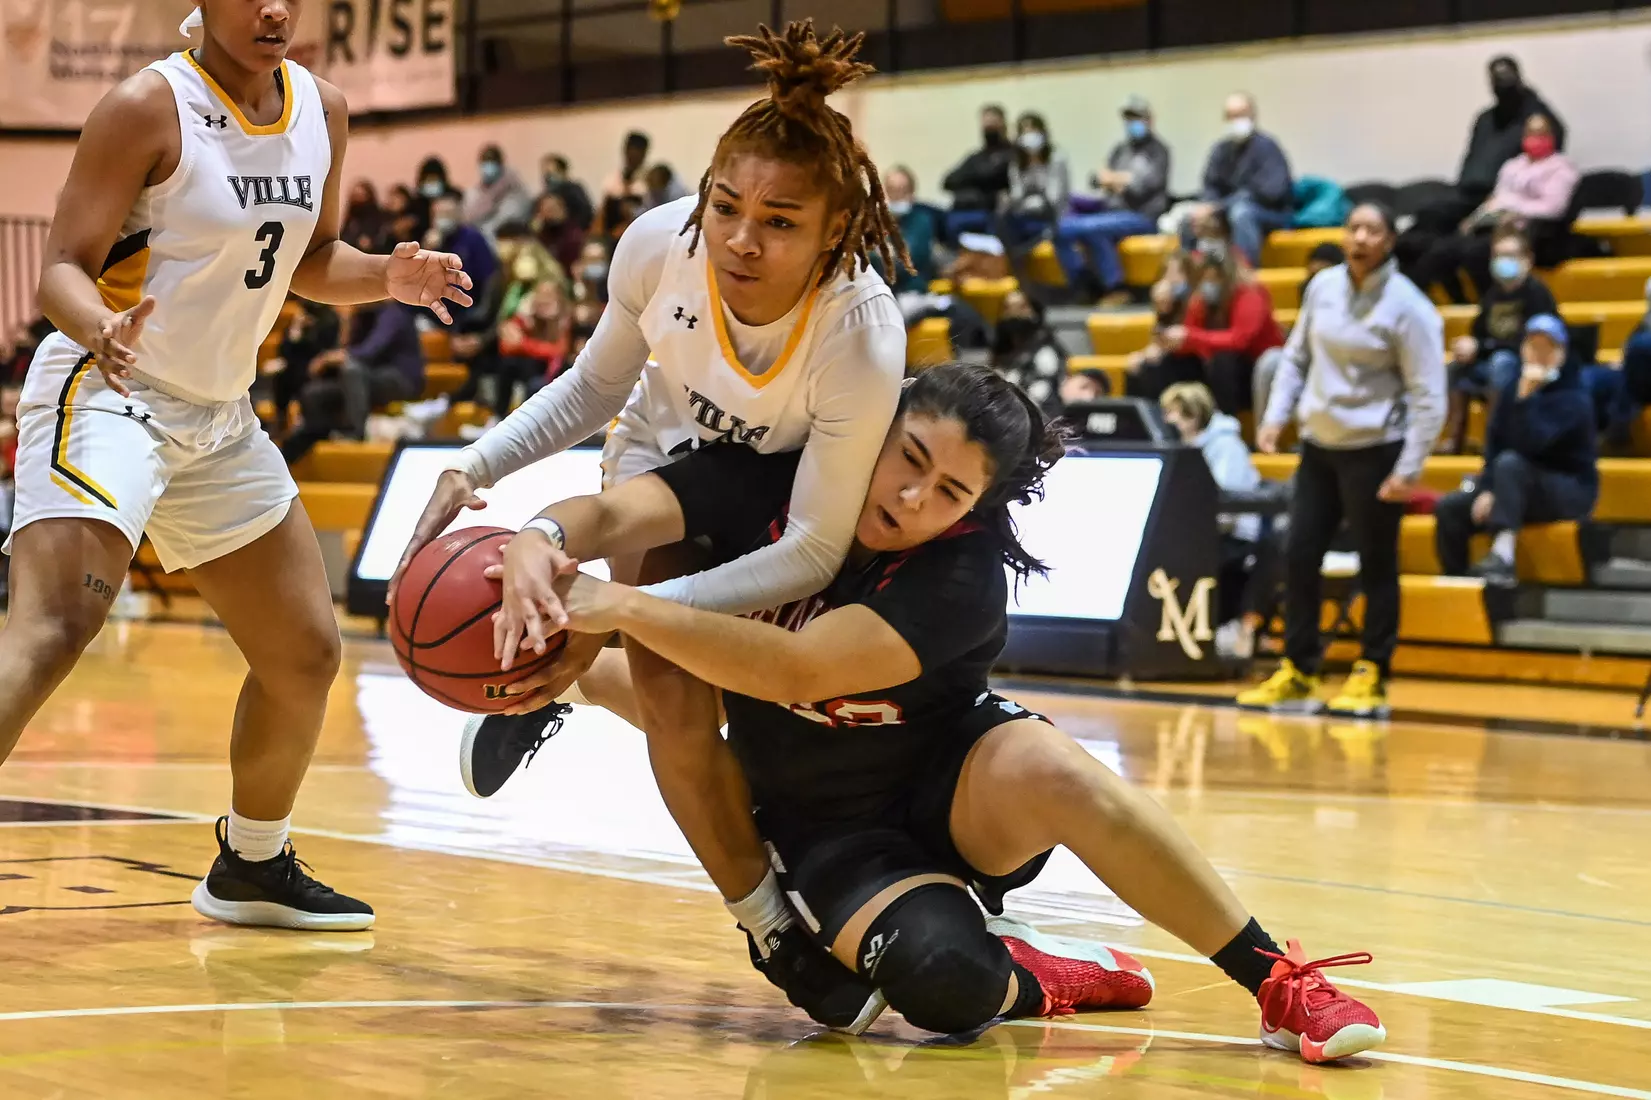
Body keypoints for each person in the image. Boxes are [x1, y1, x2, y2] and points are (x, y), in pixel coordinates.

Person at [484, 362, 1386, 1061]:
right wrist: (543, 536)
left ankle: (1273, 979)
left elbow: (798, 669)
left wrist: (623, 610)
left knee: (1055, 766)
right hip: (827, 831)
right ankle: (1037, 975)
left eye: (948, 493)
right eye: (907, 458)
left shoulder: (961, 576)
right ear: (876, 427)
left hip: (954, 787)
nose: (911, 499)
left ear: (975, 510)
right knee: (944, 986)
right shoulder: (776, 479)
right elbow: (613, 509)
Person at [397, 20, 908, 975]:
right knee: (678, 704)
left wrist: (625, 613)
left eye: (780, 221)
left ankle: (578, 672)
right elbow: (594, 389)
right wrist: (477, 465)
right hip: (663, 462)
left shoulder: (862, 332)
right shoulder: (656, 246)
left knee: (744, 703)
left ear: (835, 228)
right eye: (724, 207)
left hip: (783, 501)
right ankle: (773, 931)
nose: (740, 240)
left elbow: (809, 548)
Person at [0, 0, 471, 929]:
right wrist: (101, 328)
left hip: (216, 414)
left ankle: (253, 864)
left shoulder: (322, 108)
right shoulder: (146, 105)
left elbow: (310, 257)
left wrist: (384, 275)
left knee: (304, 652)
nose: (274, 9)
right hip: (107, 390)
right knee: (57, 626)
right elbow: (61, 264)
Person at [1241, 203, 1446, 718]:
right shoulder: (1323, 287)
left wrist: (1410, 467)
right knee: (1299, 553)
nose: (1359, 237)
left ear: (1389, 241)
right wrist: (1275, 415)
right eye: (1353, 228)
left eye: (1372, 230)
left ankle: (1374, 671)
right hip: (1319, 447)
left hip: (1377, 451)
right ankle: (1300, 670)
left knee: (1376, 563)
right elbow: (1296, 356)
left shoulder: (1409, 307)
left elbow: (1429, 394)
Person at [1434, 315, 1597, 586]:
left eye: (1548, 348)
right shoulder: (1511, 389)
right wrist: (1487, 488)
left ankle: (1503, 556)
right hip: (1515, 484)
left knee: (1511, 463)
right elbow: (1494, 444)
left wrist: (1525, 400)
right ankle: (1458, 581)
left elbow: (1533, 443)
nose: (1539, 355)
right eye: (1533, 346)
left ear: (1562, 354)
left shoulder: (1575, 398)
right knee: (1450, 507)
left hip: (1569, 490)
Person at [1409, 113, 1577, 302]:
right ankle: (1458, 302)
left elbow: (1553, 208)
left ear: (1552, 137)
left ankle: (1490, 302)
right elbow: (1497, 199)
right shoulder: (1512, 166)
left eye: (1541, 133)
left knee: (1475, 253)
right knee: (1442, 251)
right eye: (1530, 133)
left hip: (1528, 230)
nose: (1534, 138)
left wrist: (1516, 209)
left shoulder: (1561, 168)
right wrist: (1473, 220)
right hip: (1493, 223)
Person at [1407, 56, 1567, 240]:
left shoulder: (1535, 118)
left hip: (1503, 202)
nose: (1502, 85)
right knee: (1424, 219)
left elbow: (1543, 166)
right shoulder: (1485, 119)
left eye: (1507, 78)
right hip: (1466, 194)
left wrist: (1499, 200)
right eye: (1496, 80)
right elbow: (1470, 158)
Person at [1159, 381, 1263, 658]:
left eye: (1175, 413)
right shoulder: (1180, 448)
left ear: (1194, 416)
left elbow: (1226, 507)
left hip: (1234, 538)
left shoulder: (1226, 445)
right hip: (1198, 535)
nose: (1167, 420)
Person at [1444, 227, 1557, 451]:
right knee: (1455, 368)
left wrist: (1482, 347)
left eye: (1510, 255)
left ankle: (1495, 438)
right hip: (1494, 360)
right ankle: (1455, 438)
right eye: (1498, 256)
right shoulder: (1493, 294)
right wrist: (1468, 346)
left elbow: (1535, 342)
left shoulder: (1537, 294)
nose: (1502, 261)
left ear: (1527, 259)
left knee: (1501, 362)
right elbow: (1478, 332)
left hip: (1524, 365)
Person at [1053, 95, 1171, 303]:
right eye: (1128, 118)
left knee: (1082, 229)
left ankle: (1101, 286)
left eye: (1137, 117)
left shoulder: (1159, 151)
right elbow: (1099, 179)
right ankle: (1102, 287)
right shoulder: (1120, 150)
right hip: (1111, 212)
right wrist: (1118, 180)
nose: (1132, 123)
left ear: (1149, 119)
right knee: (1063, 227)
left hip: (1142, 216)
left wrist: (1115, 180)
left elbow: (1143, 187)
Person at [281, 300, 425, 463]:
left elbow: (369, 352)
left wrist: (328, 358)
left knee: (351, 370)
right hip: (368, 379)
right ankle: (316, 433)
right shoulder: (361, 316)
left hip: (401, 379)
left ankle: (356, 434)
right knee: (314, 392)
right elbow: (343, 346)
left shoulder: (392, 313)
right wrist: (346, 321)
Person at [1146, 245, 1284, 414]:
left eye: (1213, 279)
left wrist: (1190, 337)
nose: (1208, 284)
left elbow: (1239, 340)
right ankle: (1161, 425)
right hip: (1219, 369)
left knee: (1222, 360)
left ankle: (1226, 424)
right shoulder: (1202, 297)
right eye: (1205, 279)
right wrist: (1167, 339)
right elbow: (1190, 332)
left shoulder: (1251, 293)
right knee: (1163, 364)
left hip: (1255, 369)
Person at [1185, 93, 1293, 267]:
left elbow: (1270, 192)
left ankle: (1245, 278)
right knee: (1190, 218)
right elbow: (1210, 185)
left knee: (1241, 213)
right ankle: (1190, 280)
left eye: (1241, 114)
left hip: (1270, 213)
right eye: (1231, 116)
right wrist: (1207, 207)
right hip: (1227, 211)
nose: (1236, 120)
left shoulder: (1267, 147)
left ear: (1253, 116)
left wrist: (1219, 206)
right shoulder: (1220, 150)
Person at [999, 112, 1070, 259]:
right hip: (1025, 215)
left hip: (1052, 215)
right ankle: (1013, 264)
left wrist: (1027, 203)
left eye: (1033, 131)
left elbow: (1053, 199)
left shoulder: (1056, 158)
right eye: (1024, 132)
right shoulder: (1017, 163)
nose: (1029, 135)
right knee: (1000, 217)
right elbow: (1016, 194)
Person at [425, 191, 499, 329]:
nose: (443, 219)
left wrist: (481, 312)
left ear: (459, 214)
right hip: (436, 309)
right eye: (439, 215)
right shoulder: (432, 241)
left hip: (468, 310)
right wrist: (428, 249)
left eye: (448, 214)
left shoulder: (473, 238)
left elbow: (490, 279)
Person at [941, 105, 1015, 240]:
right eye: (986, 126)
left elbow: (997, 177)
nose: (988, 130)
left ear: (1003, 125)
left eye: (992, 125)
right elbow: (948, 181)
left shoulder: (1013, 153)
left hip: (995, 213)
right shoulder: (976, 157)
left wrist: (972, 179)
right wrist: (977, 178)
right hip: (969, 209)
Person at [989, 290, 1066, 417]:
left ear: (1034, 312)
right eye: (1008, 308)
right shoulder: (1000, 350)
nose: (1014, 314)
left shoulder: (1047, 349)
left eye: (1021, 307)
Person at [879, 166, 945, 294]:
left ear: (912, 193)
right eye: (891, 190)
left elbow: (908, 260)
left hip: (911, 291)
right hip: (879, 291)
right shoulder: (875, 220)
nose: (896, 196)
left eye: (902, 191)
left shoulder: (921, 220)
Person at [465, 143, 535, 243]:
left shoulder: (515, 190)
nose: (488, 167)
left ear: (500, 164)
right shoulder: (474, 192)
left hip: (510, 241)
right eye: (485, 162)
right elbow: (468, 218)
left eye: (492, 161)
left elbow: (512, 217)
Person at [598, 131, 652, 238]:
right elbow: (603, 213)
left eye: (637, 152)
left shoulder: (650, 181)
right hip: (611, 234)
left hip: (640, 232)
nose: (632, 156)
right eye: (630, 151)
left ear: (644, 154)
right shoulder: (612, 179)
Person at [534, 191, 588, 273]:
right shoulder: (541, 235)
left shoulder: (573, 233)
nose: (552, 213)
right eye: (548, 210)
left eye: (554, 208)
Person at [539, 152, 595, 231]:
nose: (548, 177)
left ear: (563, 172)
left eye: (551, 173)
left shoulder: (574, 190)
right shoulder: (546, 194)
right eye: (545, 173)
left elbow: (586, 216)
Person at [342, 180, 390, 254]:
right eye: (355, 196)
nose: (358, 200)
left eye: (361, 196)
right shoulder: (352, 216)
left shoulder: (376, 216)